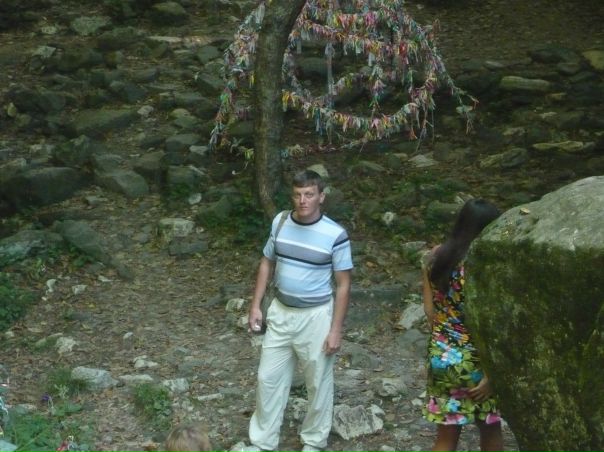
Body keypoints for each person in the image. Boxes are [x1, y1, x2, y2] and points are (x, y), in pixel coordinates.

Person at [243, 169, 353, 452]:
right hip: (280, 311)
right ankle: (262, 441)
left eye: (309, 194)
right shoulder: (280, 222)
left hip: (316, 316)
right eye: (298, 194)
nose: (303, 200)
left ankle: (314, 442)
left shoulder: (335, 234)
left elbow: (343, 284)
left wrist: (336, 330)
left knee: (317, 381)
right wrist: (255, 305)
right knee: (268, 378)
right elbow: (267, 262)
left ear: (321, 197)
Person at [421, 198, 503, 452]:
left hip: (442, 356)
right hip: (478, 360)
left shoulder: (436, 257)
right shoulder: (484, 266)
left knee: (446, 437)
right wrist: (492, 373)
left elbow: (430, 311)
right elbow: (491, 323)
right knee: (490, 429)